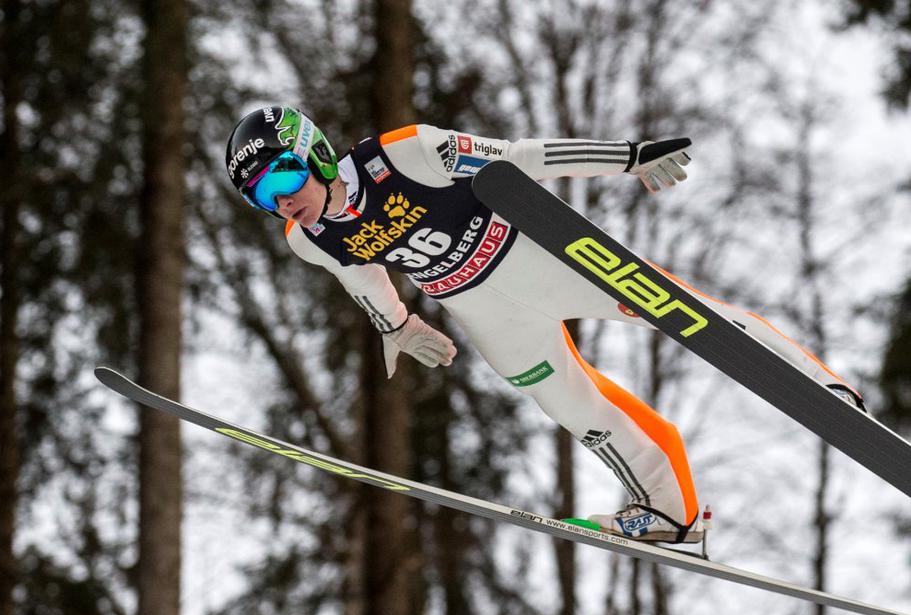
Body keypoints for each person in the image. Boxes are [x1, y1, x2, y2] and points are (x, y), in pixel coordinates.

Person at [224, 106, 867, 544]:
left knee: (683, 312)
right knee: (572, 407)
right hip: (483, 311)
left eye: (283, 175)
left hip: (535, 256)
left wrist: (628, 158)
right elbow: (359, 274)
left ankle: (824, 389)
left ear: (313, 153)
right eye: (261, 196)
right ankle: (668, 512)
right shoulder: (308, 239)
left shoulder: (405, 153)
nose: (282, 200)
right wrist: (396, 326)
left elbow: (521, 159)